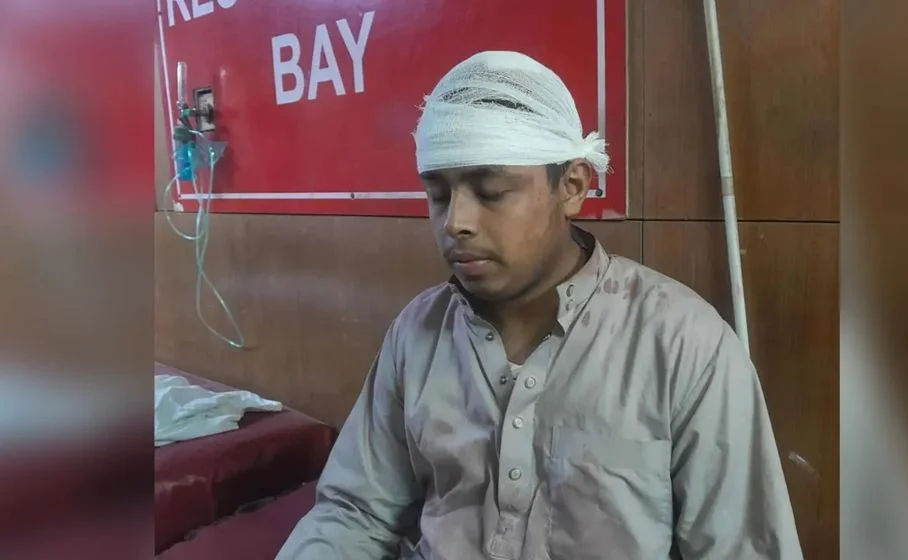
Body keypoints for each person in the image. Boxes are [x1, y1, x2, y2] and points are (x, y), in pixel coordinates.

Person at [277, 51, 802, 560]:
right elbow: (356, 511)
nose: (456, 222)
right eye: (438, 194)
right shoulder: (418, 333)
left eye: (490, 191)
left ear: (571, 187)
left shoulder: (684, 345)